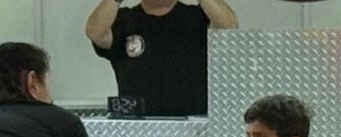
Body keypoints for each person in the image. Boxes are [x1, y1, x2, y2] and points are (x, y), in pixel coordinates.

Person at [84, 0, 239, 117]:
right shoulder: (124, 20)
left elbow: (229, 26)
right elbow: (95, 33)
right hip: (135, 129)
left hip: (193, 128)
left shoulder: (197, 17)